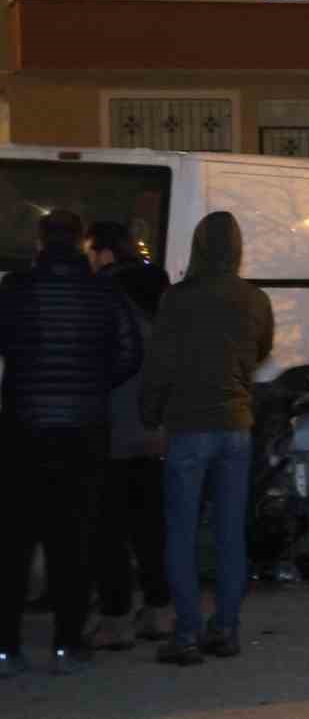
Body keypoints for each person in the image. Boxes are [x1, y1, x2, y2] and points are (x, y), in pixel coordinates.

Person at [0, 210, 141, 677]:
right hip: (83, 431)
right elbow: (129, 353)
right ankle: (66, 645)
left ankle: (7, 648)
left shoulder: (16, 290)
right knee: (73, 540)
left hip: (23, 428)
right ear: (82, 242)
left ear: (40, 241)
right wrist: (92, 385)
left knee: (15, 543)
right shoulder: (104, 292)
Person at [141, 212, 273, 666]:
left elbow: (159, 365)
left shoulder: (178, 300)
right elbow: (261, 350)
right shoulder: (255, 299)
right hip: (236, 426)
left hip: (188, 427)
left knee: (180, 532)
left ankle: (187, 634)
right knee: (229, 531)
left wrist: (149, 414)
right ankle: (227, 629)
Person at [84, 222, 172, 651]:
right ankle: (160, 610)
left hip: (113, 426)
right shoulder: (162, 291)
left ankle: (116, 617)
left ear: (103, 253)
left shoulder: (102, 294)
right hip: (156, 427)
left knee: (109, 529)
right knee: (152, 525)